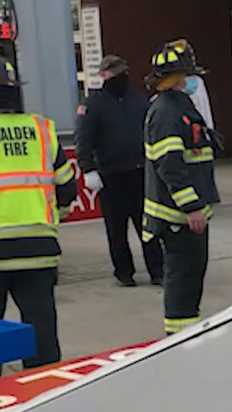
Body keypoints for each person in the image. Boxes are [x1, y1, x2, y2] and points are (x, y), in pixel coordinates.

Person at [0, 58, 77, 367]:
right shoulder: (41, 130)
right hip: (39, 248)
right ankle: (42, 389)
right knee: (41, 328)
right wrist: (55, 213)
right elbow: (67, 187)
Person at [142, 40, 220, 336]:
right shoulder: (165, 112)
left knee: (191, 277)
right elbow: (170, 165)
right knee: (182, 279)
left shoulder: (180, 106)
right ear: (177, 78)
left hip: (187, 215)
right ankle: (178, 338)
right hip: (177, 216)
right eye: (188, 76)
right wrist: (191, 206)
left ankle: (187, 332)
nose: (192, 82)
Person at [75, 54, 162, 287]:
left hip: (139, 171)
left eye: (121, 72)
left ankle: (158, 270)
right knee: (116, 229)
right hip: (110, 174)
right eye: (113, 74)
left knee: (147, 226)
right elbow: (84, 139)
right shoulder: (93, 104)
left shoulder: (139, 100)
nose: (118, 77)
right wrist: (87, 168)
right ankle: (124, 272)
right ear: (103, 76)